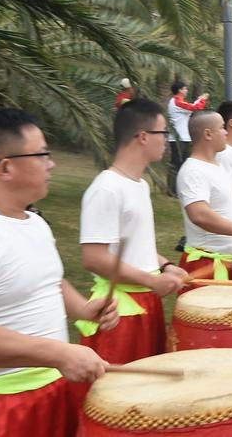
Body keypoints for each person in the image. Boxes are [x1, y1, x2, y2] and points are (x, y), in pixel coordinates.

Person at [0, 109, 118, 436]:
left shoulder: (34, 222)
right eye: (42, 155)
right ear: (6, 167)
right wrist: (59, 353)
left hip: (53, 387)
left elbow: (48, 279)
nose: (52, 164)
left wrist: (84, 309)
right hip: (3, 404)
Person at [77, 100, 188, 363]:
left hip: (146, 301)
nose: (166, 141)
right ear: (143, 136)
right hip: (119, 311)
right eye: (163, 133)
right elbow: (94, 258)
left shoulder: (139, 185)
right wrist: (151, 281)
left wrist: (166, 266)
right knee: (121, 386)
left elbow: (138, 246)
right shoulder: (106, 188)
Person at [176, 111, 232, 281]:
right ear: (208, 134)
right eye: (222, 128)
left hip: (227, 261)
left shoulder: (216, 166)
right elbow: (199, 214)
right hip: (207, 264)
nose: (226, 132)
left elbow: (219, 204)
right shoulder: (193, 171)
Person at [166, 81, 208, 197]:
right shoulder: (176, 102)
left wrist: (199, 99)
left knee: (180, 163)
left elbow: (191, 107)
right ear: (179, 90)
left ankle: (175, 189)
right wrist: (202, 99)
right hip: (179, 138)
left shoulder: (178, 102)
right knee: (178, 164)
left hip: (181, 138)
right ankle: (173, 190)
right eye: (185, 88)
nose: (186, 90)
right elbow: (195, 107)